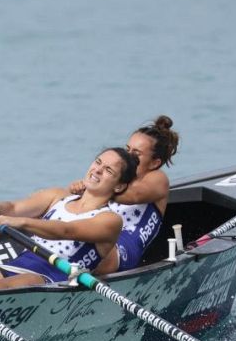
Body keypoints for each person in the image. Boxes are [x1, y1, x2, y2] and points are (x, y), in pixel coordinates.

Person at [0, 147, 138, 291]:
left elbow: (67, 230)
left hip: (54, 278)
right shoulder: (57, 195)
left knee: (1, 287)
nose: (98, 170)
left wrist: (21, 222)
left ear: (119, 186)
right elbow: (14, 207)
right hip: (19, 263)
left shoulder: (110, 220)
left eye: (108, 170)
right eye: (98, 162)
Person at [68, 116, 179, 273]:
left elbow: (132, 196)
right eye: (127, 150)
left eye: (136, 153)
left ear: (154, 163)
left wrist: (91, 187)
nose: (128, 156)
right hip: (101, 233)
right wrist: (76, 189)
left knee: (81, 243)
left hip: (124, 248)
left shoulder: (158, 179)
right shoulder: (114, 179)